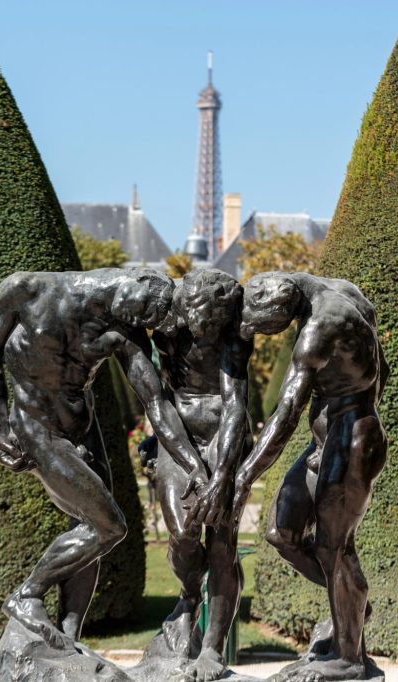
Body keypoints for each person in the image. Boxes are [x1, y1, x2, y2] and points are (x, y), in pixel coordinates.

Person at [0, 268, 209, 648]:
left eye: (145, 321)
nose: (138, 324)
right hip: (36, 427)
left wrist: (191, 463)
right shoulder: (27, 290)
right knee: (108, 527)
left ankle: (69, 640)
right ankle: (27, 595)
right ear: (132, 281)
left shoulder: (124, 325)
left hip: (83, 429)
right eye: (143, 313)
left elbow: (154, 402)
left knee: (87, 527)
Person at [232, 272, 389, 682]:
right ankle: (353, 607)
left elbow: (285, 415)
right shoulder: (342, 292)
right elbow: (381, 370)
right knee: (282, 534)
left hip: (354, 435)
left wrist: (242, 479)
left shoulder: (318, 328)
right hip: (331, 434)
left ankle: (348, 659)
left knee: (333, 547)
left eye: (265, 326)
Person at [141, 268, 253, 681]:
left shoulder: (235, 328)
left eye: (214, 325)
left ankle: (212, 648)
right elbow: (153, 389)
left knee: (222, 541)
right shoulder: (166, 321)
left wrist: (224, 474)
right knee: (182, 528)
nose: (206, 331)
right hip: (179, 433)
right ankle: (189, 598)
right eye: (200, 322)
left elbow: (236, 402)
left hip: (225, 434)